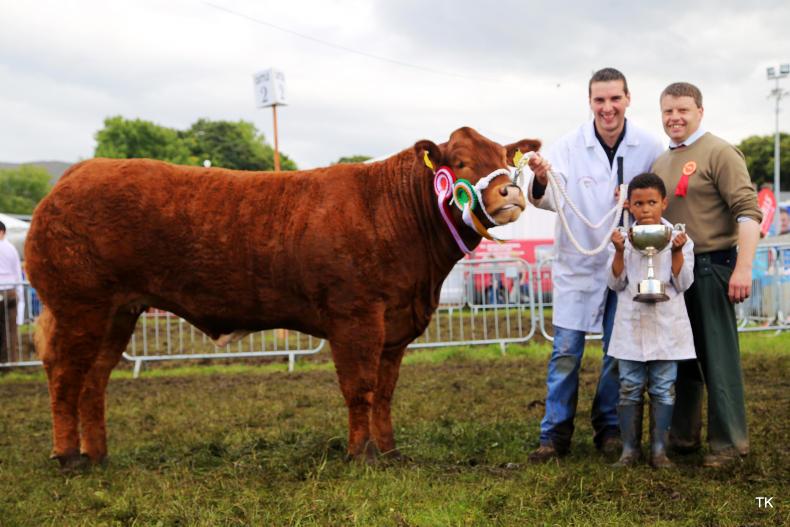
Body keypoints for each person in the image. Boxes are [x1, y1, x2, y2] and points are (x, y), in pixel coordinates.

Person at [526, 68, 665, 461]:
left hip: (625, 264)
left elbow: (656, 199)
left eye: (614, 99)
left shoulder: (648, 145)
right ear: (590, 103)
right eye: (600, 100)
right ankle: (554, 435)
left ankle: (607, 428)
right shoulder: (567, 147)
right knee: (566, 352)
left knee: (616, 353)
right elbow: (550, 196)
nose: (608, 108)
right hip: (578, 264)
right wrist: (539, 178)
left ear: (628, 98)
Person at [651, 82, 762, 468]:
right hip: (674, 271)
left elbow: (748, 212)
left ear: (700, 111)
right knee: (681, 357)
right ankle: (683, 436)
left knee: (718, 357)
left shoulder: (720, 152)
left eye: (683, 109)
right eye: (668, 111)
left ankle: (730, 444)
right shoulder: (661, 163)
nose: (675, 117)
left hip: (713, 265)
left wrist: (743, 267)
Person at [607, 173, 695, 468]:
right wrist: (619, 251)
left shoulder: (679, 238)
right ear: (629, 206)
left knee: (664, 386)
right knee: (629, 385)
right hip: (631, 324)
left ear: (664, 203)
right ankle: (630, 450)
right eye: (639, 203)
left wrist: (678, 251)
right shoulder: (622, 238)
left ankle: (659, 450)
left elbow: (683, 282)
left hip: (667, 325)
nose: (645, 209)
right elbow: (615, 283)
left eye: (652, 202)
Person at [0, 220, 23, 363]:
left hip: (4, 290)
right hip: (11, 291)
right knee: (11, 330)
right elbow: (18, 273)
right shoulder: (12, 248)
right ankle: (11, 362)